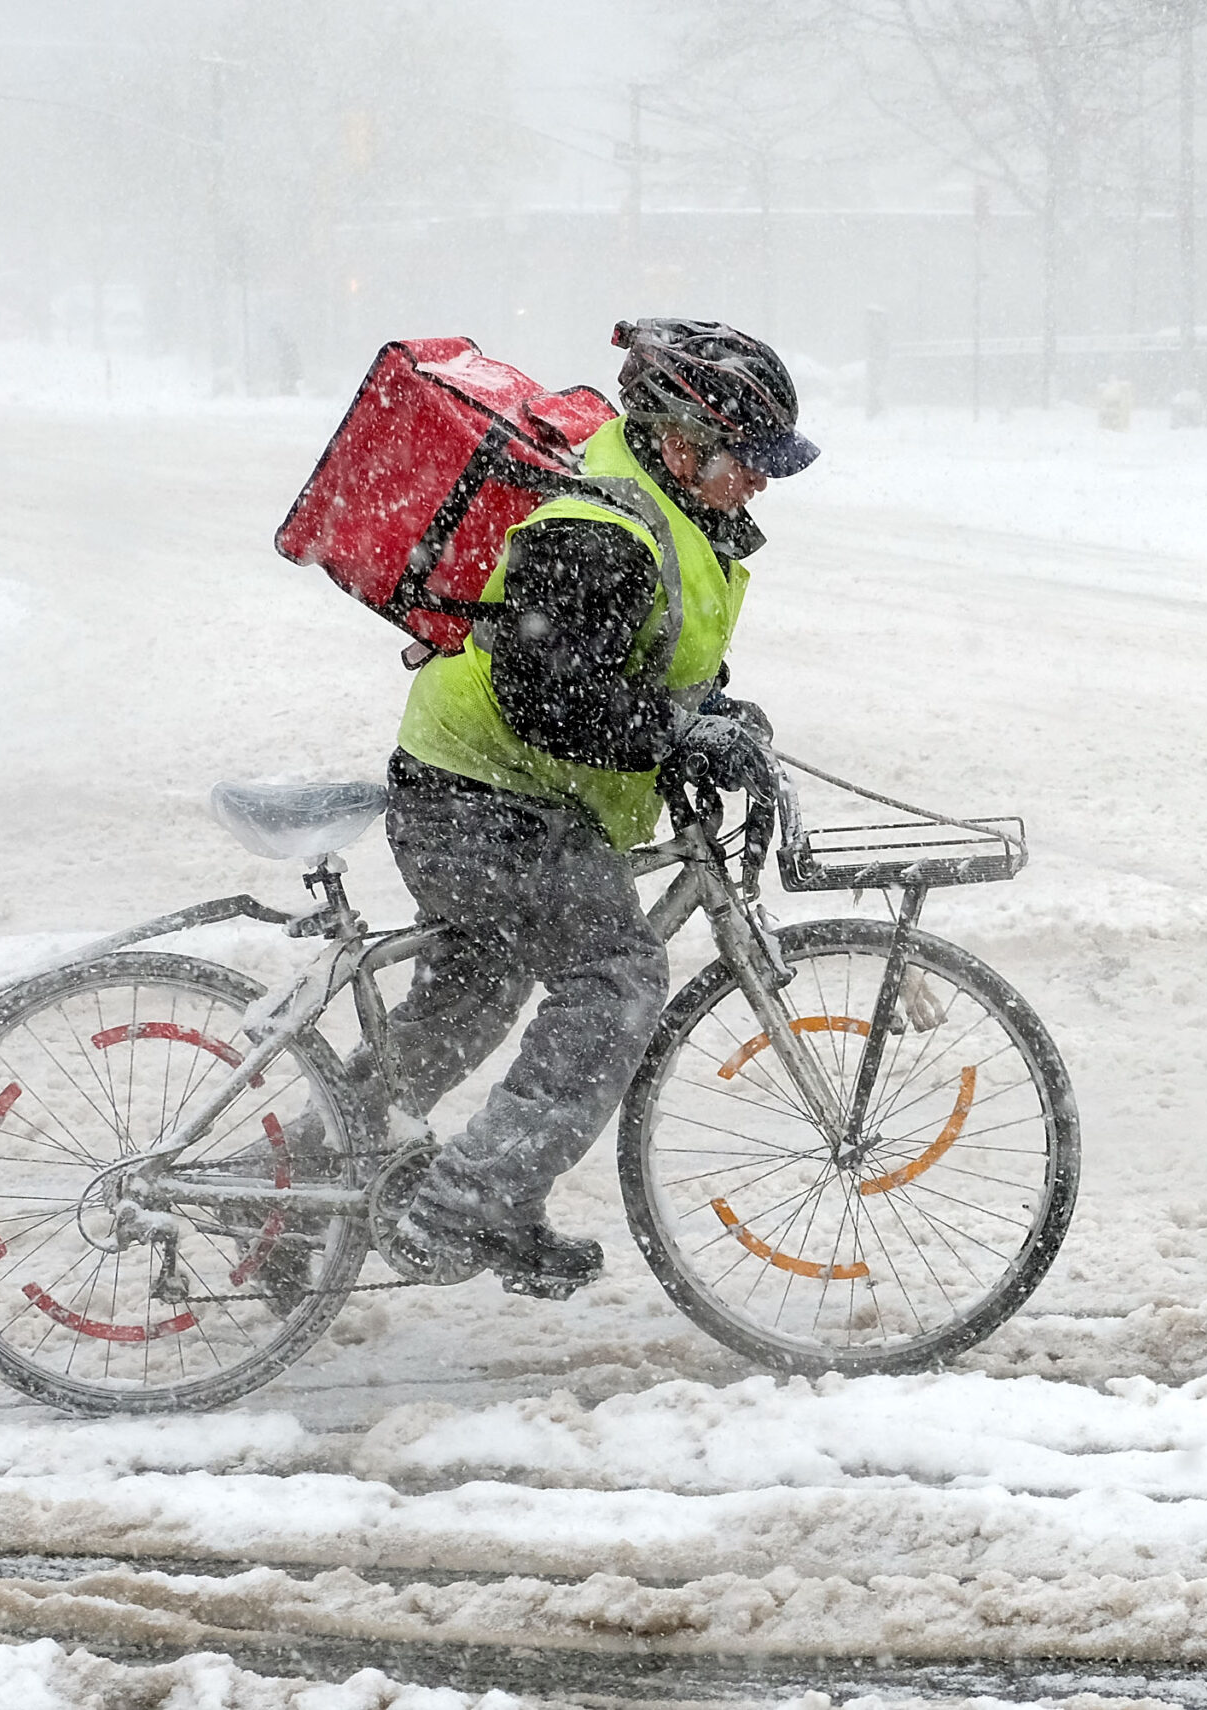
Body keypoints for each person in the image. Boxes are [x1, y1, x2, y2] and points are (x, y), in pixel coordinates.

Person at [367, 317, 820, 1298]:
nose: (762, 482)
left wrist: (706, 716)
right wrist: (673, 735)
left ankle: (294, 1183)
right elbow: (550, 696)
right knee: (613, 974)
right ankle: (464, 1203)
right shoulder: (600, 526)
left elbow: (643, 650)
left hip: (485, 790)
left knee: (470, 997)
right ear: (683, 440)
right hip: (485, 798)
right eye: (749, 460)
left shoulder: (661, 505)